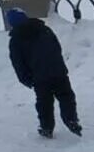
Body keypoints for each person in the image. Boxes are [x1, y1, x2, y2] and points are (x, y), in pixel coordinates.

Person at [6, 8, 79, 140]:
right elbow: (57, 47)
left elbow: (18, 63)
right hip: (58, 72)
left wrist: (26, 79)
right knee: (66, 96)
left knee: (44, 103)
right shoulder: (44, 30)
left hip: (39, 78)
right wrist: (58, 65)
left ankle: (46, 128)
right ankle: (71, 120)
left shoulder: (16, 40)